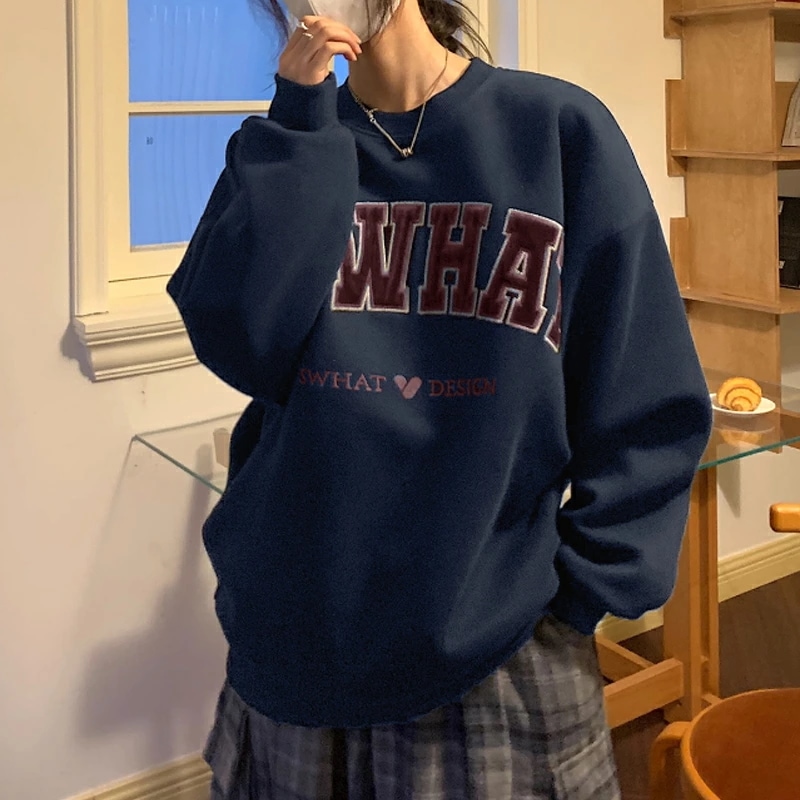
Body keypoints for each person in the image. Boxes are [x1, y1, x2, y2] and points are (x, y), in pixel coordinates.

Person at [167, 0, 713, 797]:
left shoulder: (554, 131)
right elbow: (239, 346)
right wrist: (298, 129)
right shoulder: (289, 144)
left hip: (497, 636)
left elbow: (646, 387)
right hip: (296, 626)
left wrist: (581, 592)